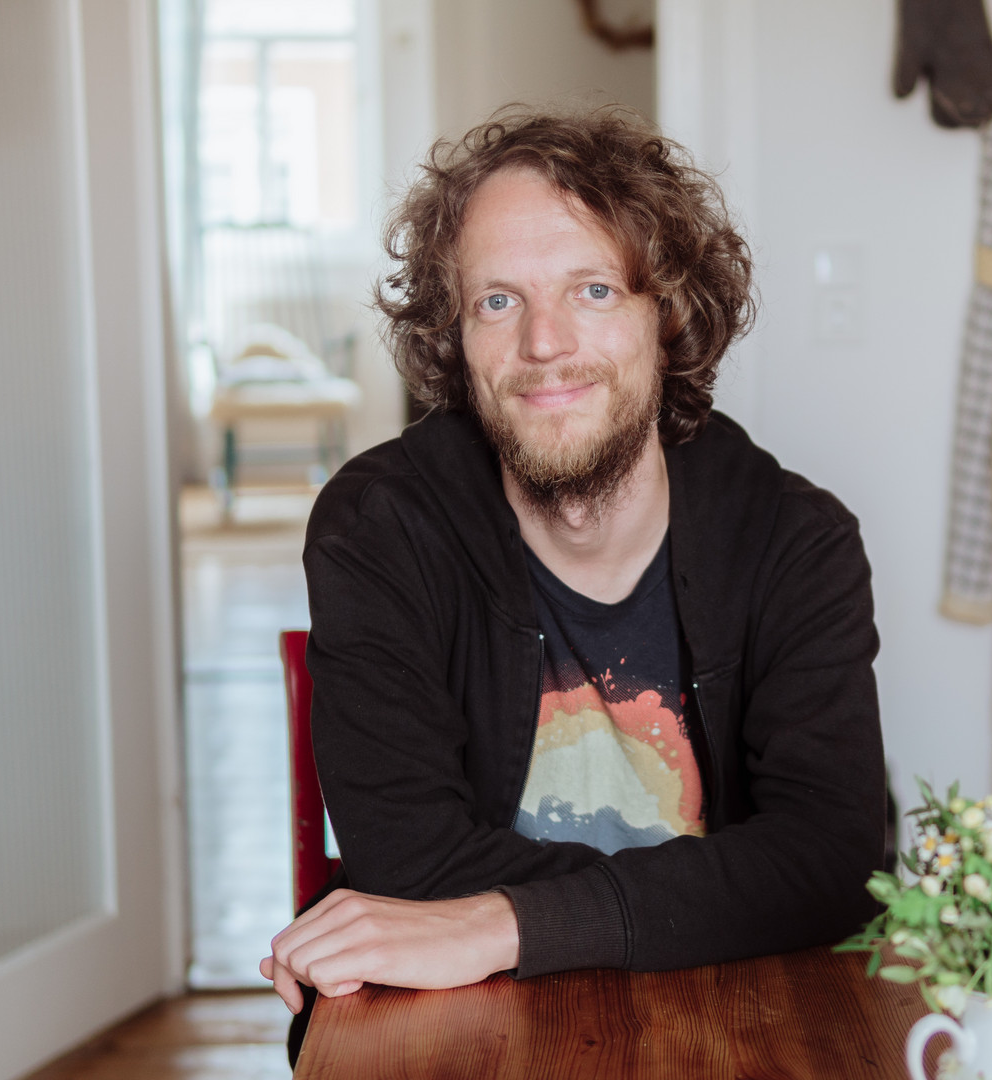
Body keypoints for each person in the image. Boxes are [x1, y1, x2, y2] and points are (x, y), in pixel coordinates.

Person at [260, 109, 887, 1055]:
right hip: (465, 1026)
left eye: (592, 290)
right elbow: (409, 859)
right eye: (497, 302)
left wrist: (504, 922)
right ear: (455, 335)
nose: (544, 344)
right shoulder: (381, 528)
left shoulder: (796, 541)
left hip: (737, 1017)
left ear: (667, 319)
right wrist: (718, 891)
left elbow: (830, 861)